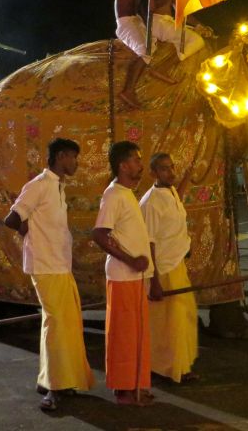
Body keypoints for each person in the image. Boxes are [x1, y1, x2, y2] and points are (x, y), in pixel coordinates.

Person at [3, 138, 94, 411]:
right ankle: (54, 388)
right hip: (45, 266)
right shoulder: (40, 185)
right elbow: (12, 218)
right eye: (73, 157)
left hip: (59, 265)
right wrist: (32, 236)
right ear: (61, 156)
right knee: (57, 326)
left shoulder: (57, 187)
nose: (76, 163)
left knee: (59, 324)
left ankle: (50, 380)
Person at [92, 141, 154, 406]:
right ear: (123, 165)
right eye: (136, 160)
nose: (140, 165)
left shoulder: (126, 193)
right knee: (123, 336)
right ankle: (123, 389)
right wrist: (130, 260)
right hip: (122, 276)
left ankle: (136, 384)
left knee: (136, 334)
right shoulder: (113, 195)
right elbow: (99, 234)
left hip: (134, 277)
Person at [140, 153, 198, 384]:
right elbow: (149, 242)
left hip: (177, 265)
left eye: (172, 167)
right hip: (163, 270)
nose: (171, 172)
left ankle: (179, 365)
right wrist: (154, 281)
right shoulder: (151, 202)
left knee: (183, 317)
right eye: (164, 169)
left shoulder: (170, 191)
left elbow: (176, 203)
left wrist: (186, 179)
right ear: (153, 173)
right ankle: (169, 368)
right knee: (170, 323)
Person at [114, 0, 176, 109]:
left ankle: (157, 71)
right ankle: (128, 90)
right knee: (145, 50)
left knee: (153, 46)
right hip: (126, 24)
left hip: (137, 22)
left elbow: (146, 11)